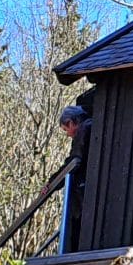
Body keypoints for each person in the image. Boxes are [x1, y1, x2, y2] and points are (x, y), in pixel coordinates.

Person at [44, 103, 92, 250]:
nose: (68, 134)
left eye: (66, 129)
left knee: (78, 224)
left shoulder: (84, 129)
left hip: (84, 188)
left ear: (71, 122)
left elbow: (74, 160)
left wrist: (52, 183)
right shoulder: (92, 125)